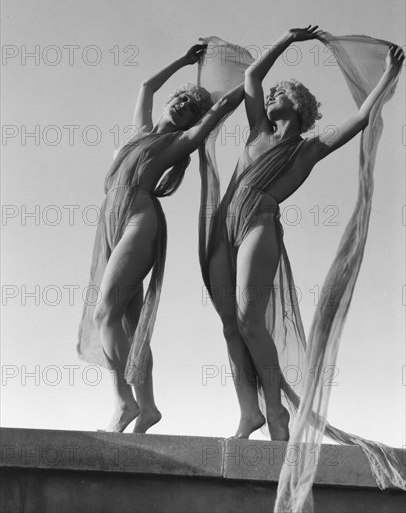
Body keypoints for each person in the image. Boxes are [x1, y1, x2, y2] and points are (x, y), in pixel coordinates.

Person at [201, 26, 404, 441]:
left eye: (281, 94)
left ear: (299, 105)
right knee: (228, 324)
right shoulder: (258, 130)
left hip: (259, 218)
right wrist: (287, 41)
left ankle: (275, 411)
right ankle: (249, 414)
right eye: (273, 94)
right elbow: (253, 78)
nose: (271, 96)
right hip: (223, 222)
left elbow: (362, 117)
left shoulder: (309, 147)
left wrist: (387, 75)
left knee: (248, 318)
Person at [77, 43, 244, 433]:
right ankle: (148, 407)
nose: (181, 105)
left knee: (105, 312)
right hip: (111, 220)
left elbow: (220, 110)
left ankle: (123, 403)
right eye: (180, 99)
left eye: (189, 107)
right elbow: (146, 87)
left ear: (191, 121)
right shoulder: (142, 131)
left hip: (140, 218)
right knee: (130, 323)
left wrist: (251, 78)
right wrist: (184, 61)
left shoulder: (179, 143)